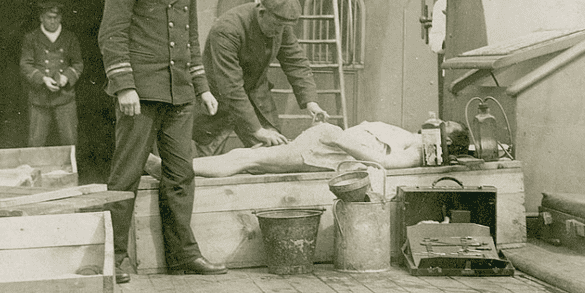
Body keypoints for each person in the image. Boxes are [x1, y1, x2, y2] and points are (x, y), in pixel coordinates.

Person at [98, 0, 225, 283]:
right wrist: (124, 86)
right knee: (126, 176)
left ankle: (184, 255)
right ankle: (116, 257)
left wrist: (202, 88)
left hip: (179, 95)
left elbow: (189, 37)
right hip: (141, 94)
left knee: (181, 175)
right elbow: (112, 32)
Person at [194, 0, 330, 155]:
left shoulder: (280, 24)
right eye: (276, 25)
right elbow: (231, 86)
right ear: (262, 13)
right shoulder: (227, 29)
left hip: (256, 95)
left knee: (275, 151)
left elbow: (296, 63)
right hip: (219, 98)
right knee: (204, 160)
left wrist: (311, 102)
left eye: (283, 27)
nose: (278, 32)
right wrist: (257, 130)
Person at [149, 120, 468, 179]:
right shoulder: (413, 138)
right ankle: (171, 168)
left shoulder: (416, 153)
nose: (435, 122)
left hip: (329, 152)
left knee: (248, 158)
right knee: (252, 159)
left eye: (443, 126)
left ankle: (170, 168)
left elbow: (383, 163)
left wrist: (342, 140)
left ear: (444, 141)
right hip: (328, 144)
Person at [20, 1, 83, 147]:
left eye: (56, 17)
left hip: (65, 98)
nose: (53, 21)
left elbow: (78, 63)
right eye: (49, 17)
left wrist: (66, 77)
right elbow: (25, 64)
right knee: (36, 142)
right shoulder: (31, 38)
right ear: (41, 17)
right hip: (39, 98)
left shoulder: (70, 37)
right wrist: (43, 79)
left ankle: (72, 170)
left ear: (60, 17)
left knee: (70, 142)